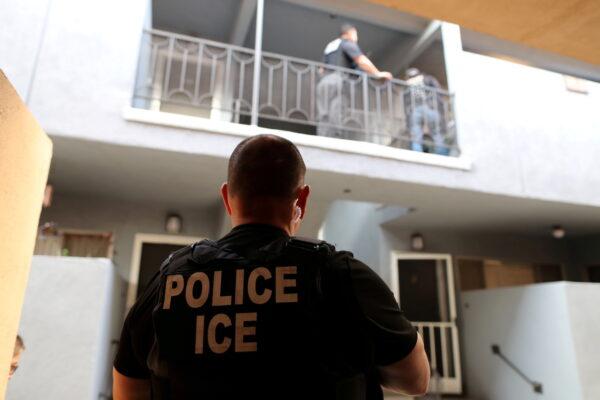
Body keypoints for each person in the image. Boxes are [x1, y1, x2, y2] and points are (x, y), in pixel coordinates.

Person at [113, 134, 430, 400]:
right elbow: (416, 379)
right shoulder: (342, 277)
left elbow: (127, 387)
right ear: (301, 200)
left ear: (227, 197)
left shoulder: (170, 280)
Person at [317, 24, 393, 139]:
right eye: (356, 34)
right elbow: (361, 61)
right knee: (337, 112)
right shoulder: (347, 43)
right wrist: (377, 74)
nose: (356, 37)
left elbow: (321, 69)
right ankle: (334, 140)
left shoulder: (330, 46)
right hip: (339, 80)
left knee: (324, 114)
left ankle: (322, 138)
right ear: (350, 33)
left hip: (324, 82)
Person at [404, 68, 449, 155]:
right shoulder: (427, 78)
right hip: (430, 107)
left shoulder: (407, 84)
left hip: (415, 109)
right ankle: (442, 155)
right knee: (437, 132)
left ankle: (417, 154)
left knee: (416, 135)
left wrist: (408, 114)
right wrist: (439, 106)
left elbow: (406, 101)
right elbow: (438, 91)